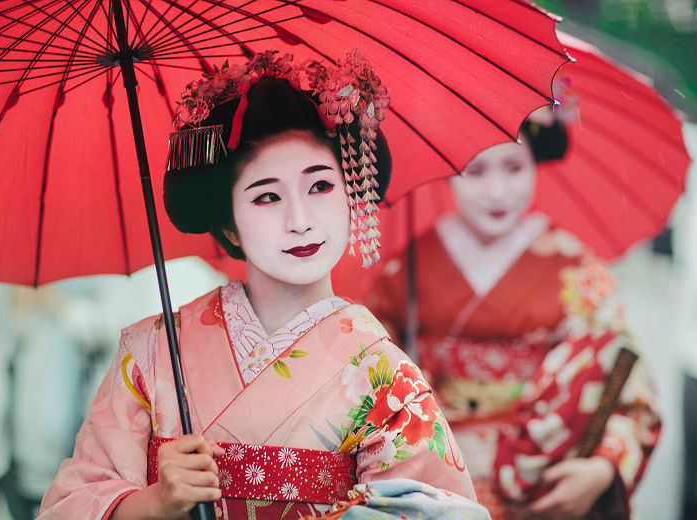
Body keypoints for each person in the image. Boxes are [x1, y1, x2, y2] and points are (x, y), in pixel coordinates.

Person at [37, 51, 488, 520]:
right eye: (267, 197)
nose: (300, 221)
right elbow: (66, 507)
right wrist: (152, 502)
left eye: (320, 187)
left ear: (353, 196)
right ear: (229, 225)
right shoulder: (150, 354)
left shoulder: (386, 377)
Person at [365, 112, 661, 519]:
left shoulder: (575, 270)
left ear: (536, 165)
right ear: (448, 170)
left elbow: (627, 380)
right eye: (476, 170)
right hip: (432, 478)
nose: (497, 191)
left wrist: (602, 467)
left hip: (540, 476)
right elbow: (368, 381)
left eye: (514, 167)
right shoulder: (405, 273)